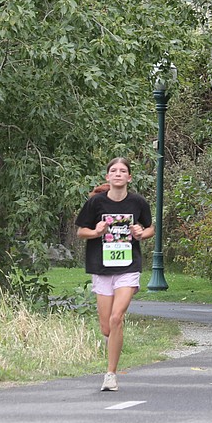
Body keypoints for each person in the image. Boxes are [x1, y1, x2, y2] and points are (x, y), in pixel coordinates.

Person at [74, 157, 154, 392]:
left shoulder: (138, 202)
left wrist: (141, 232)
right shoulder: (96, 203)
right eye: (113, 171)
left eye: (123, 171)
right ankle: (114, 341)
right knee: (106, 327)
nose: (118, 174)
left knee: (117, 317)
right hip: (101, 267)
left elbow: (149, 228)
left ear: (129, 177)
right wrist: (96, 231)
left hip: (128, 267)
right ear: (108, 177)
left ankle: (111, 374)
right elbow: (81, 232)